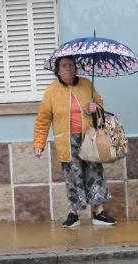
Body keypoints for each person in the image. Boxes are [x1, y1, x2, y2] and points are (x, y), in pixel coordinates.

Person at [33, 55, 117, 228]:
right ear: (57, 70)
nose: (68, 69)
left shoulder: (86, 84)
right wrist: (39, 144)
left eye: (71, 65)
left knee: (94, 172)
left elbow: (100, 104)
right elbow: (43, 119)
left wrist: (96, 108)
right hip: (67, 140)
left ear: (76, 68)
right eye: (64, 66)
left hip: (88, 137)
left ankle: (98, 211)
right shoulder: (52, 91)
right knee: (73, 175)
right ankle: (74, 213)